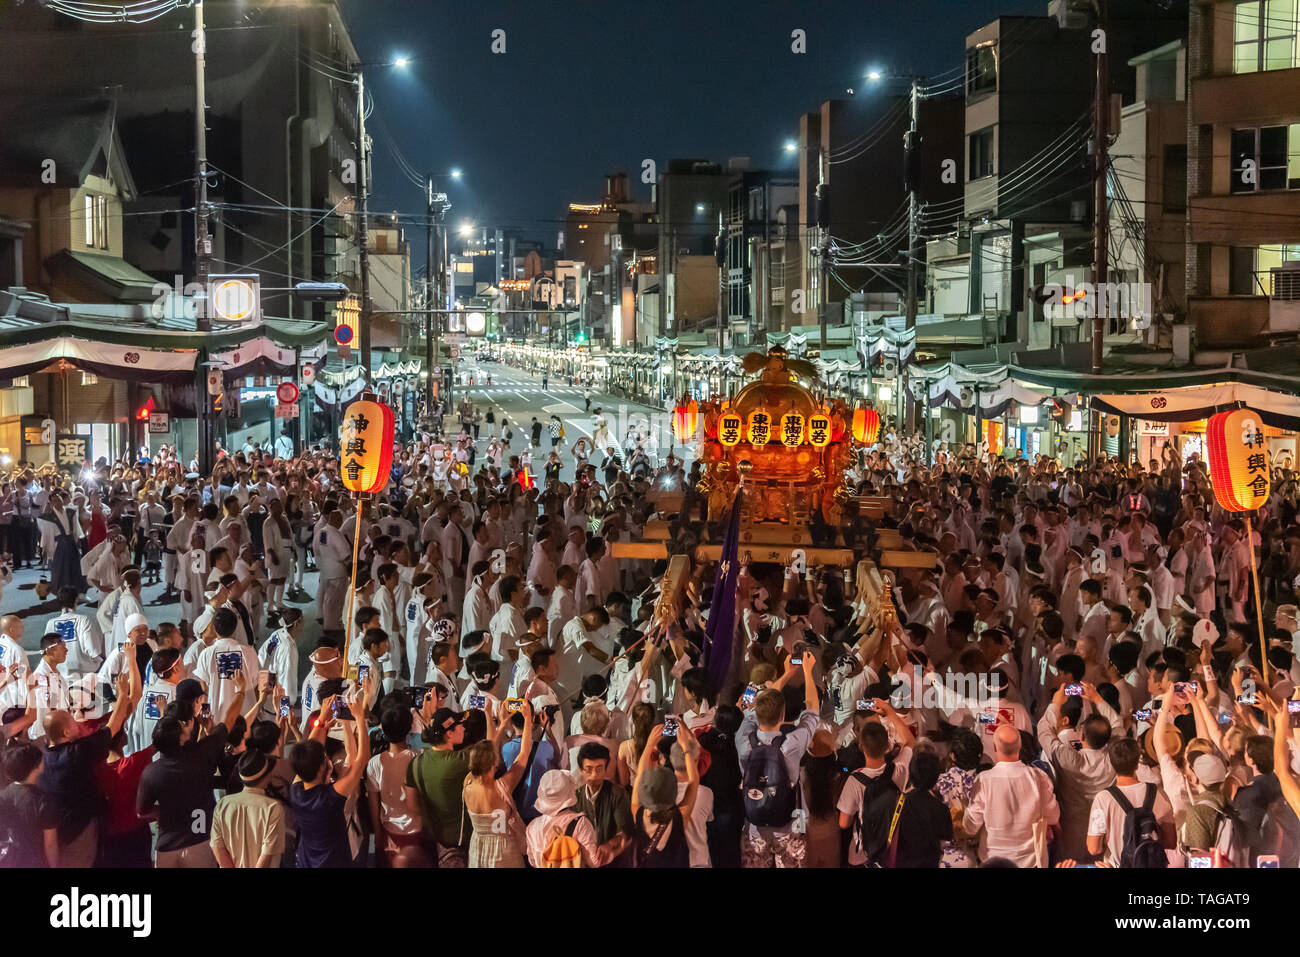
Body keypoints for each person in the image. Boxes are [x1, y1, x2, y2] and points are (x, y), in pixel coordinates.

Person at [135, 669, 248, 868]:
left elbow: (141, 811)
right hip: (200, 840)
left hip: (167, 846)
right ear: (181, 732)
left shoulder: (152, 772)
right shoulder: (203, 754)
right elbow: (229, 720)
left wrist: (165, 812)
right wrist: (240, 691)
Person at [963, 724, 1060, 867]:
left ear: (995, 747)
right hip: (1030, 861)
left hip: (993, 860)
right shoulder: (1039, 777)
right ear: (1019, 747)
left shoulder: (984, 780)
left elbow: (971, 826)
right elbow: (1053, 816)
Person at [403, 706, 472, 867]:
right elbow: (491, 755)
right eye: (460, 725)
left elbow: (411, 806)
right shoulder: (460, 760)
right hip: (457, 842)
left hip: (429, 840)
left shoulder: (416, 763)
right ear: (449, 733)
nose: (463, 727)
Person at [210, 750, 287, 868]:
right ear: (266, 776)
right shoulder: (273, 808)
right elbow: (267, 855)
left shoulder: (223, 804)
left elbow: (217, 847)